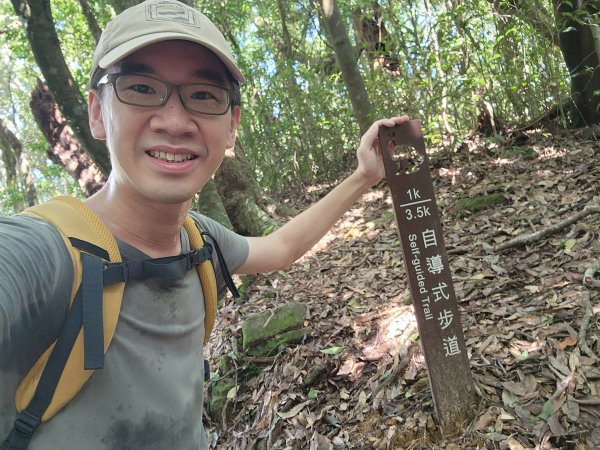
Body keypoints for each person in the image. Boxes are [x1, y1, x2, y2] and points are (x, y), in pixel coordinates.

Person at [0, 0, 408, 448]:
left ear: (231, 126)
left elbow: (282, 248)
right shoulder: (41, 254)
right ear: (97, 112)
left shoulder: (200, 240)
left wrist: (365, 175)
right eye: (139, 87)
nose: (175, 121)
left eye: (203, 95)